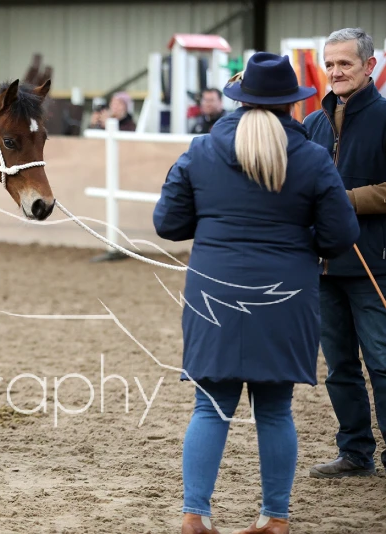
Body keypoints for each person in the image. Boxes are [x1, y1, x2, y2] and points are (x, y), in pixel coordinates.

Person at [153, 53, 359, 534]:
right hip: (286, 292)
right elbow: (340, 235)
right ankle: (274, 517)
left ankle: (195, 514)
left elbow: (168, 222)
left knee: (210, 407)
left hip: (213, 288)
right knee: (275, 408)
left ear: (240, 100)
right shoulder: (311, 157)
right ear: (291, 104)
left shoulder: (202, 150)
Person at [304, 27, 386, 479]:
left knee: (383, 363)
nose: (335, 72)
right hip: (323, 267)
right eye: (329, 64)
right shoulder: (313, 124)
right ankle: (355, 451)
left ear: (369, 66)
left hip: (374, 264)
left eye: (345, 63)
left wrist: (344, 199)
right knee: (339, 368)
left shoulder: (385, 117)